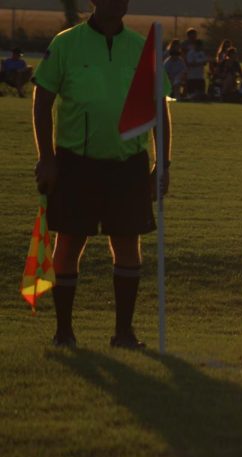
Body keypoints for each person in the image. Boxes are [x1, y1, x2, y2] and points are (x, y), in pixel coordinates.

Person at [32, 0, 172, 349]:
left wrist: (163, 165)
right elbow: (42, 101)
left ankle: (123, 334)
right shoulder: (66, 43)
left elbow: (159, 110)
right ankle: (64, 332)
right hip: (75, 165)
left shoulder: (141, 49)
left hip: (128, 166)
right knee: (69, 244)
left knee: (127, 244)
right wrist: (46, 159)